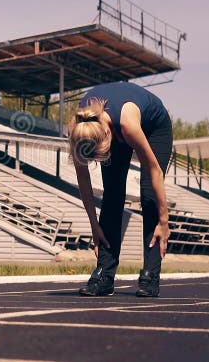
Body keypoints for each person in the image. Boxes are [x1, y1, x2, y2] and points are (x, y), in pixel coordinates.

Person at [68, 81, 173, 297]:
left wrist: (164, 222)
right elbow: (83, 180)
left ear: (107, 134)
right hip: (112, 128)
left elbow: (155, 172)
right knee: (112, 194)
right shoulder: (78, 128)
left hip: (154, 128)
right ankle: (104, 276)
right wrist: (94, 225)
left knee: (148, 195)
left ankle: (150, 275)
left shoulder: (127, 124)